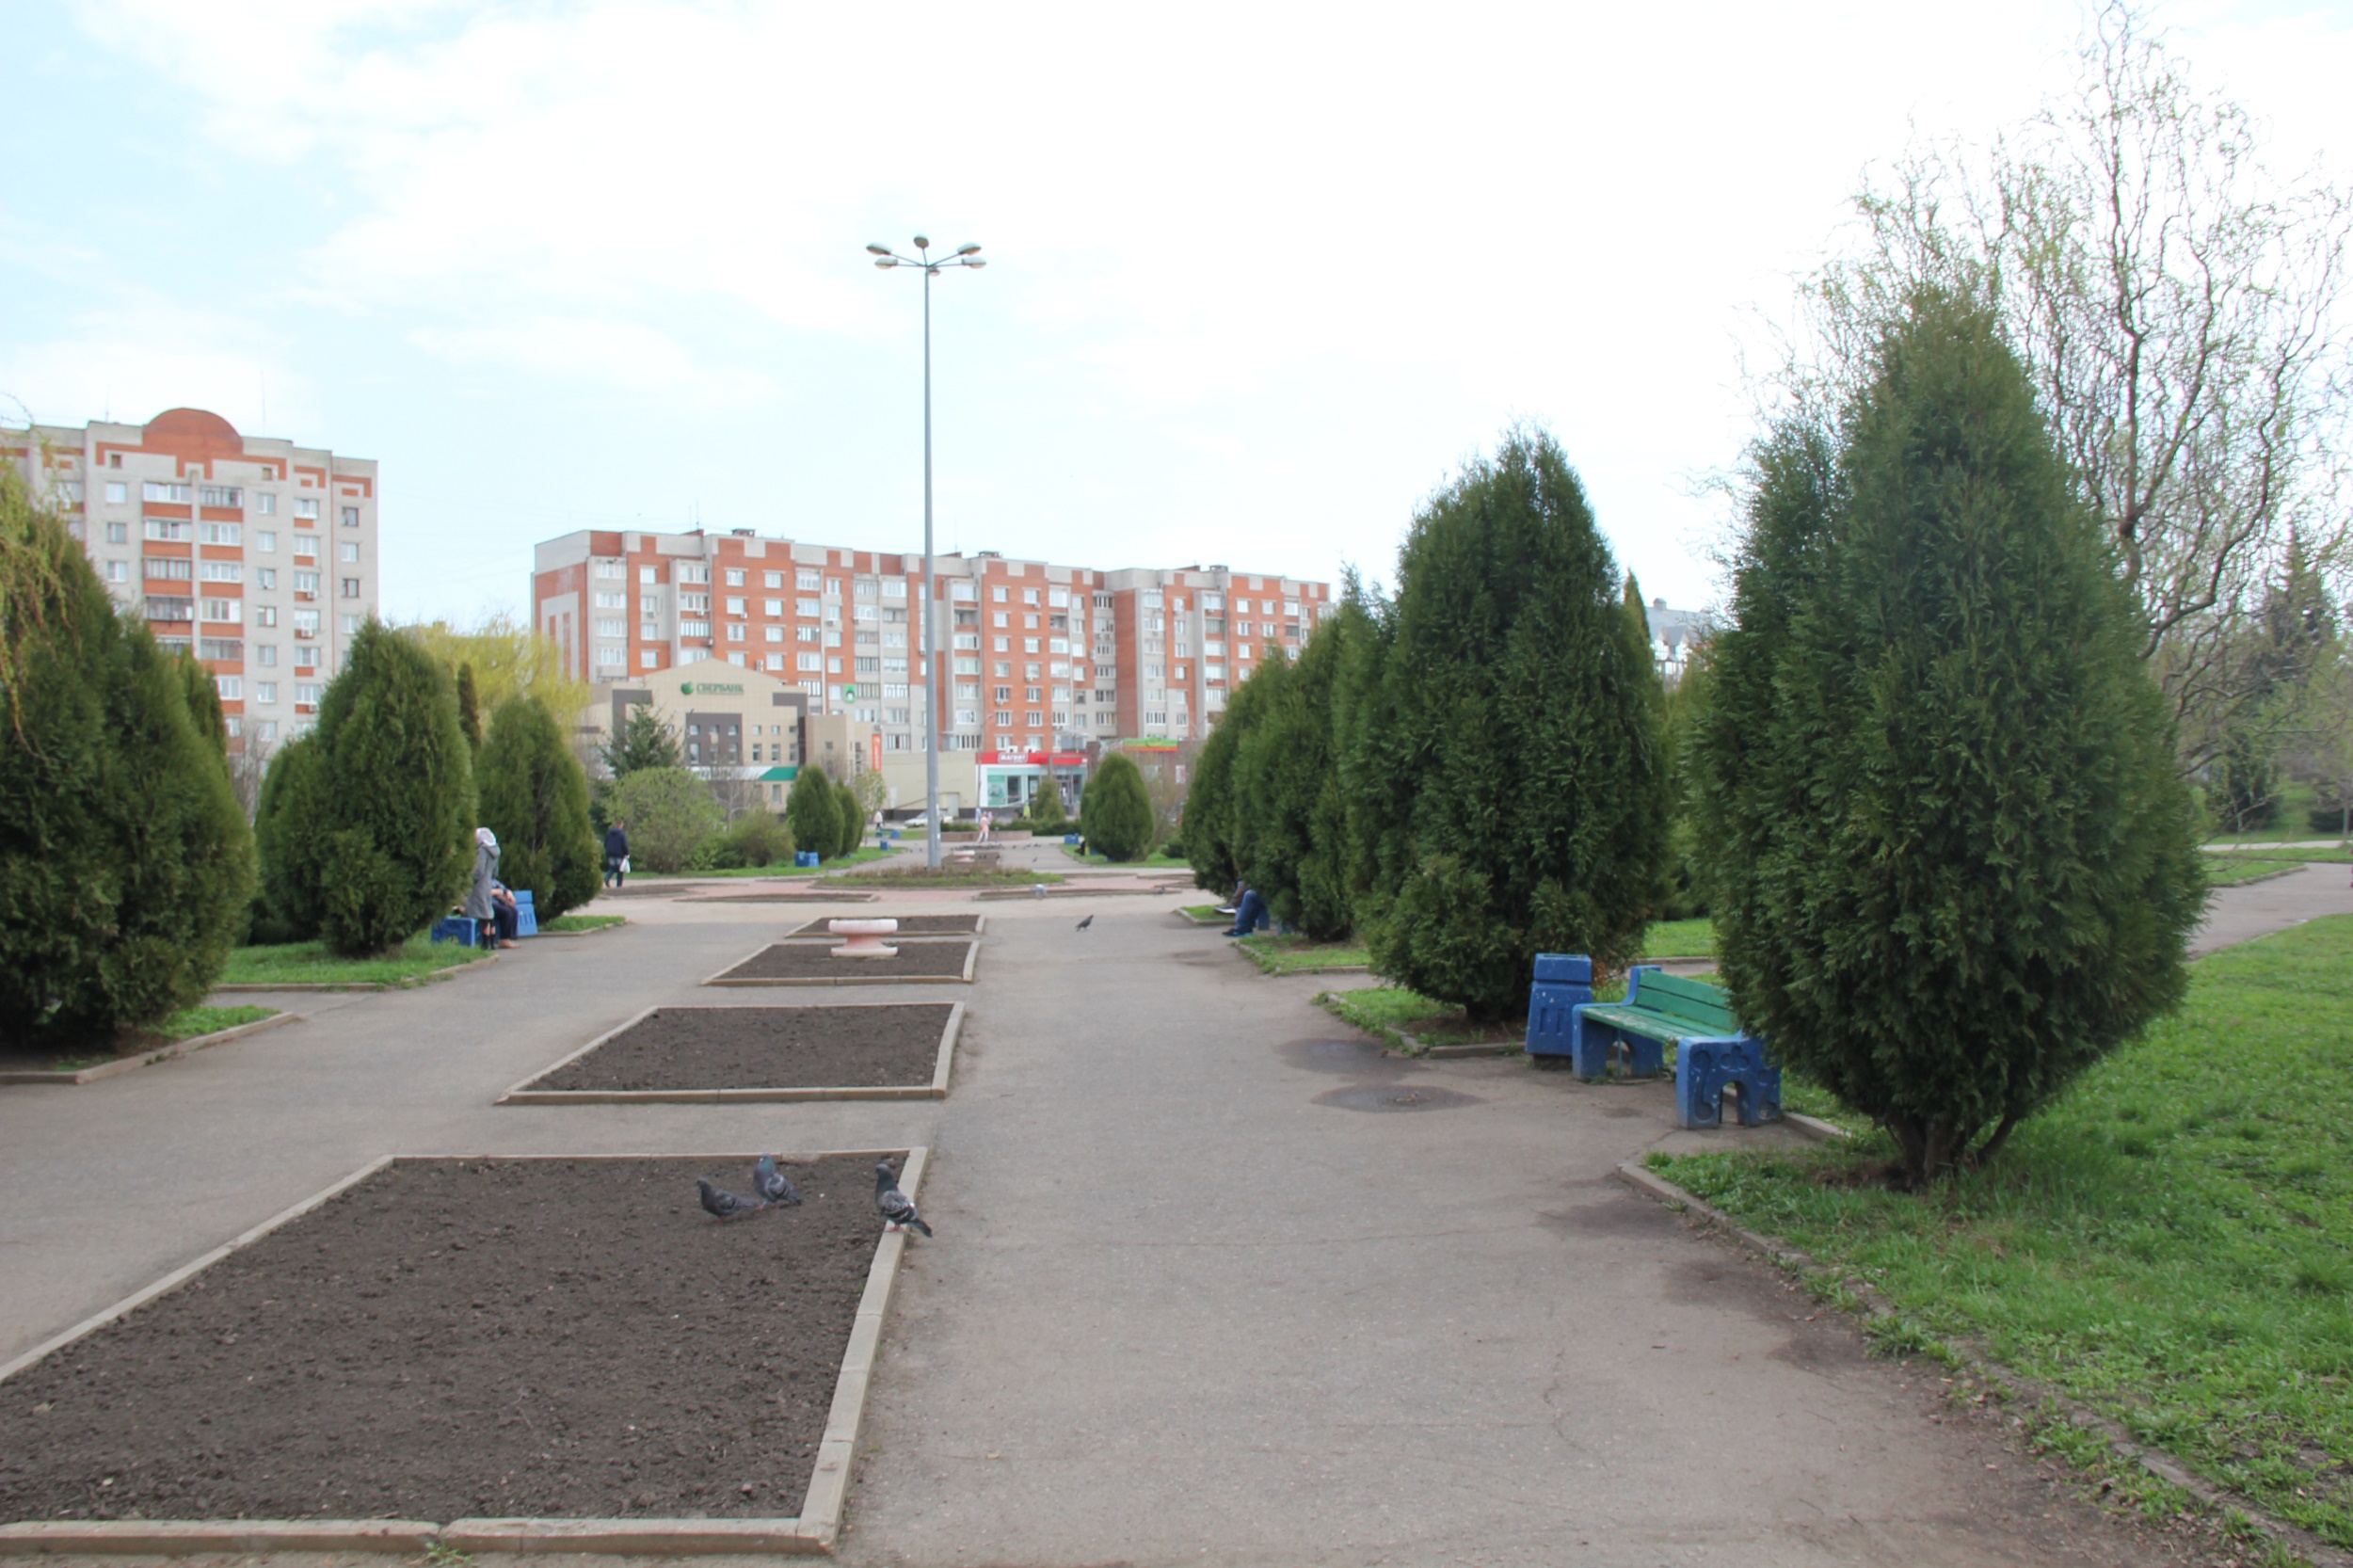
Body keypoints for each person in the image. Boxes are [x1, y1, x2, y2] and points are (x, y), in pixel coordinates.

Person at [466, 826, 520, 949]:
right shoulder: (495, 851)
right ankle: (491, 941)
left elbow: (479, 871)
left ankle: (485, 943)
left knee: (483, 915)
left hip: (479, 887)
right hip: (487, 885)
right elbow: (495, 872)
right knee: (489, 914)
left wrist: (469, 877)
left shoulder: (482, 851)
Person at [603, 819, 630, 889]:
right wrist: (626, 853)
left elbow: (605, 843)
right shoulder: (622, 834)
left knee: (612, 867)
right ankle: (619, 886)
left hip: (610, 853)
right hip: (619, 854)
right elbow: (624, 845)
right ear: (621, 825)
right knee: (620, 869)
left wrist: (607, 850)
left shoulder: (609, 833)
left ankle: (607, 877)